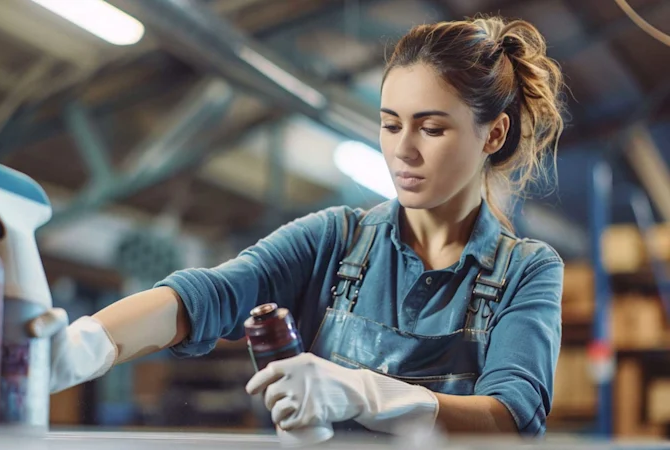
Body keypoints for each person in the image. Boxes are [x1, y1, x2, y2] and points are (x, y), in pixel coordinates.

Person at [34, 15, 566, 438]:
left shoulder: (527, 271)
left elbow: (513, 418)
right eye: (389, 124)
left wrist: (367, 395)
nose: (403, 150)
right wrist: (89, 343)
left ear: (493, 134)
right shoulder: (336, 240)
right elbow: (211, 295)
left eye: (431, 127)